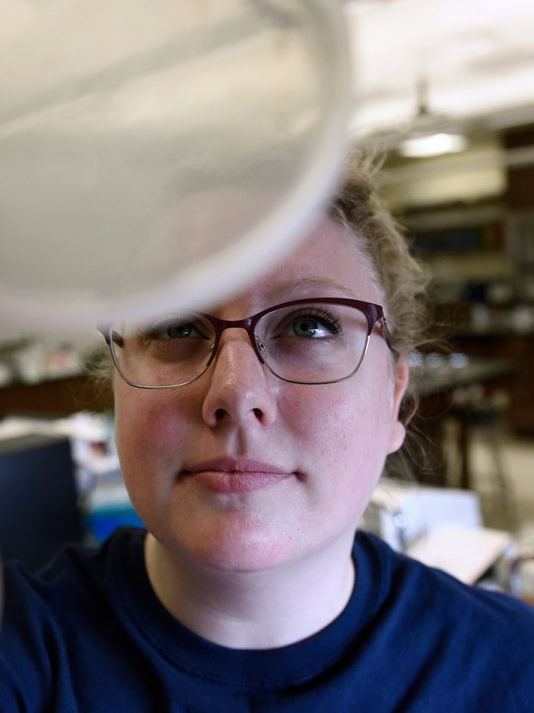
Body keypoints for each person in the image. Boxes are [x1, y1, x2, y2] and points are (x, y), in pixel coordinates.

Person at [1, 161, 533, 712]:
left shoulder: (516, 669)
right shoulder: (19, 652)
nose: (235, 392)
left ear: (394, 396)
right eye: (176, 327)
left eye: (310, 325)